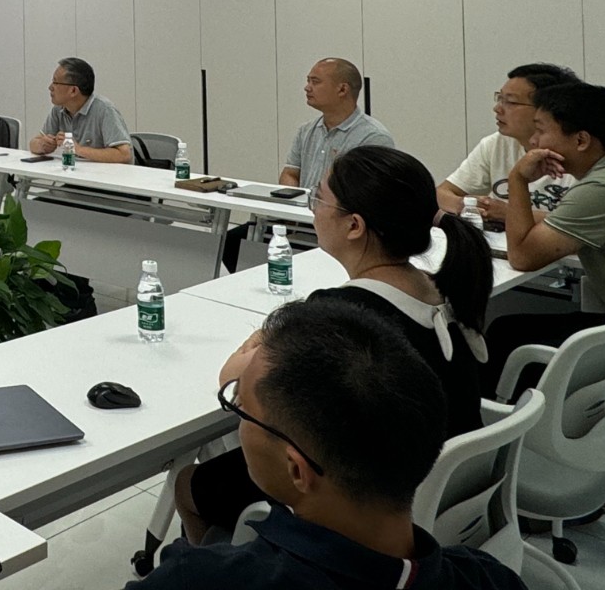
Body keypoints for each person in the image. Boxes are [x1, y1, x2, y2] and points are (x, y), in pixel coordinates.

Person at [178, 146, 492, 543]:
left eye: (319, 198)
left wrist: (269, 333)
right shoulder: (445, 287)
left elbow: (232, 378)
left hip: (369, 502)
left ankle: (222, 563)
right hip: (441, 492)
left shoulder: (341, 314)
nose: (313, 208)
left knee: (188, 484)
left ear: (354, 225)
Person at [138, 297, 525, 590]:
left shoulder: (196, 578)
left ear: (297, 469)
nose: (241, 419)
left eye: (243, 410)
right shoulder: (488, 577)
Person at [483, 81, 605, 395]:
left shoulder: (601, 187)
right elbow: (555, 224)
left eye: (540, 130)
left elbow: (523, 256)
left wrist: (517, 178)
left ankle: (491, 421)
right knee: (506, 329)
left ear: (581, 140)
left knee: (506, 337)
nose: (533, 141)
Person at [435, 63, 580, 219]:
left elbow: (581, 225)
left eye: (510, 102)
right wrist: (465, 205)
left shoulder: (581, 154)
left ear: (545, 110)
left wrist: (507, 213)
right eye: (499, 98)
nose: (497, 108)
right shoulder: (497, 144)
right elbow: (441, 193)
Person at [279, 58, 394, 188]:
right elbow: (290, 173)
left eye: (315, 82)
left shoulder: (374, 137)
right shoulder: (305, 131)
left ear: (342, 89)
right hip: (306, 202)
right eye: (308, 81)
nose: (307, 88)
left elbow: (371, 191)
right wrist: (295, 198)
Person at [27, 58, 132, 162]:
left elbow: (124, 154)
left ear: (73, 90)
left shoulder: (105, 110)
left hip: (104, 172)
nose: (50, 87)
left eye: (55, 82)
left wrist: (78, 149)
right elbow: (33, 143)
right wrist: (42, 145)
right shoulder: (59, 109)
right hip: (75, 171)